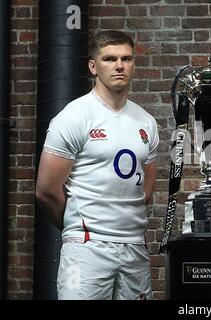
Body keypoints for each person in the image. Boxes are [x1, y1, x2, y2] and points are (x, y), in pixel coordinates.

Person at [35, 30, 159, 300]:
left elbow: (145, 189)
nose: (119, 66)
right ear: (93, 66)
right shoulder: (74, 116)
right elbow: (46, 191)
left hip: (134, 247)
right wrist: (76, 225)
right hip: (87, 248)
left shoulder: (146, 122)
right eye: (110, 59)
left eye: (126, 59)